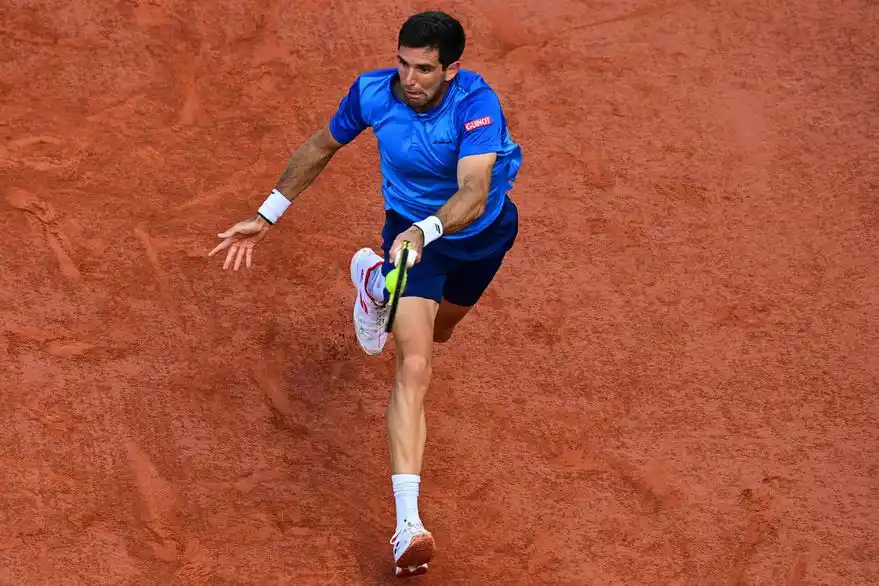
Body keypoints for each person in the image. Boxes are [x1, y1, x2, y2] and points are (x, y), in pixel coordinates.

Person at [208, 10, 522, 577]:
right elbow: (320, 146)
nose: (409, 78)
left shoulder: (478, 103)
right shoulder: (372, 93)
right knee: (416, 362)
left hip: (475, 237)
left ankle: (374, 281)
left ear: (452, 69)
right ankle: (408, 524)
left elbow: (474, 192)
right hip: (408, 236)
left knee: (443, 332)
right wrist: (267, 214)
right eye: (403, 63)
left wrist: (426, 232)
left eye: (424, 69)